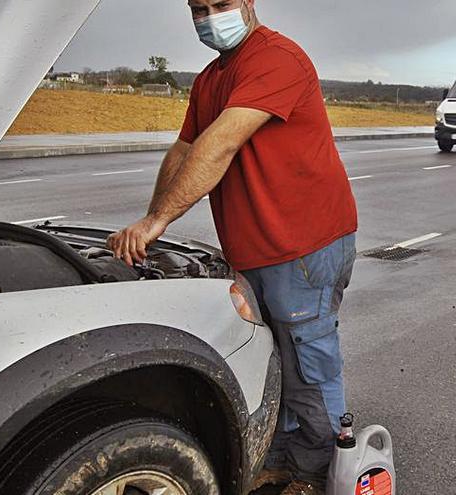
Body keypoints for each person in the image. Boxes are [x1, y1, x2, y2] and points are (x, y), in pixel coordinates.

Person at [106, 1, 358, 494]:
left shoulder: (276, 58)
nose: (208, 16)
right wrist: (148, 218)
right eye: (198, 7)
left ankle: (320, 473)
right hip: (256, 249)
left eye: (220, 4)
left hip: (303, 245)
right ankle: (286, 458)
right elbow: (183, 150)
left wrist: (159, 220)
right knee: (275, 361)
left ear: (247, 2)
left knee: (309, 364)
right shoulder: (209, 79)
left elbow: (219, 143)